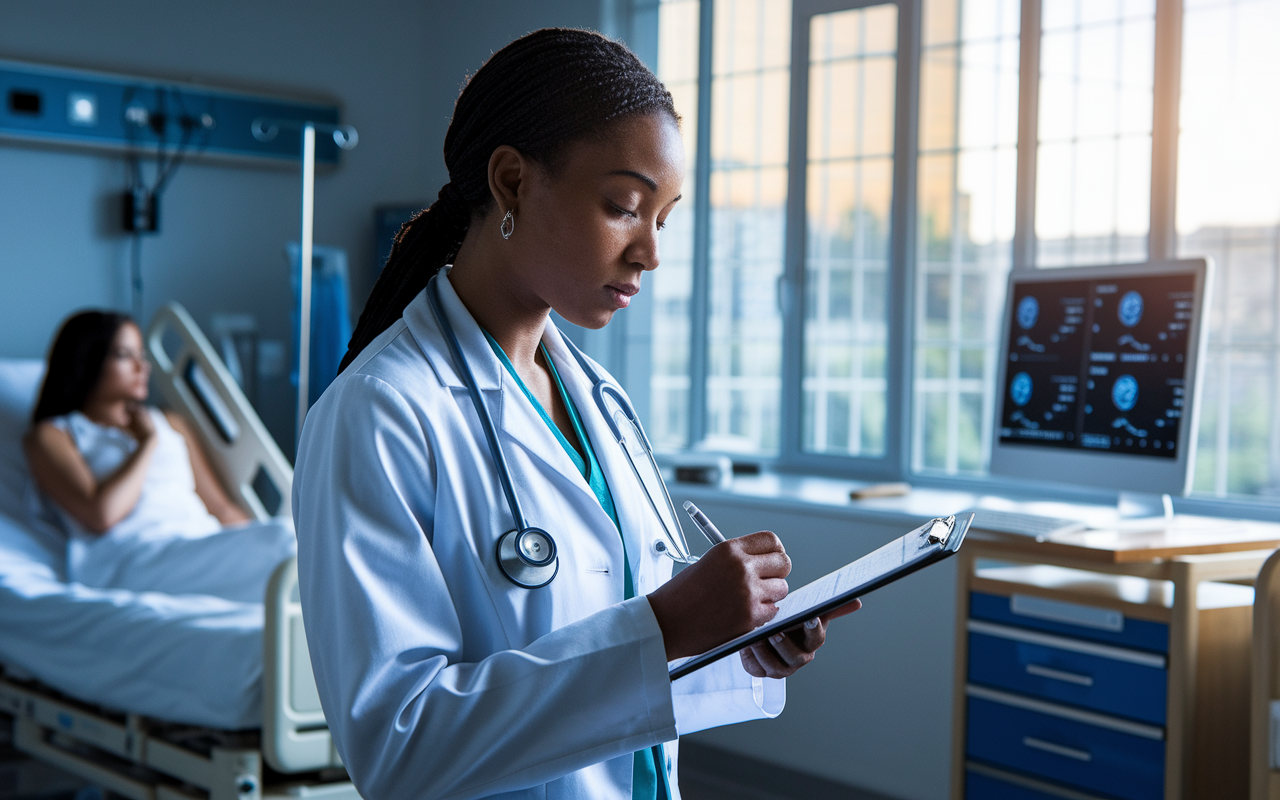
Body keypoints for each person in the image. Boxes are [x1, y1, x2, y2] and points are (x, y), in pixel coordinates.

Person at [293, 28, 859, 800]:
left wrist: (741, 635)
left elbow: (626, 644)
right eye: (624, 207)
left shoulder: (602, 403)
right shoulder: (381, 413)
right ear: (513, 182)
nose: (649, 254)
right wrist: (665, 625)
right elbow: (400, 747)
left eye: (664, 219)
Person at [24, 310, 295, 602]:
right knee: (286, 542)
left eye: (142, 354)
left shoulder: (172, 424)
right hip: (132, 557)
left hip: (197, 545)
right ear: (86, 362)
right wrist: (146, 444)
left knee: (289, 538)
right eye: (125, 355)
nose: (143, 366)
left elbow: (220, 508)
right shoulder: (56, 435)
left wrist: (249, 539)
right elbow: (102, 515)